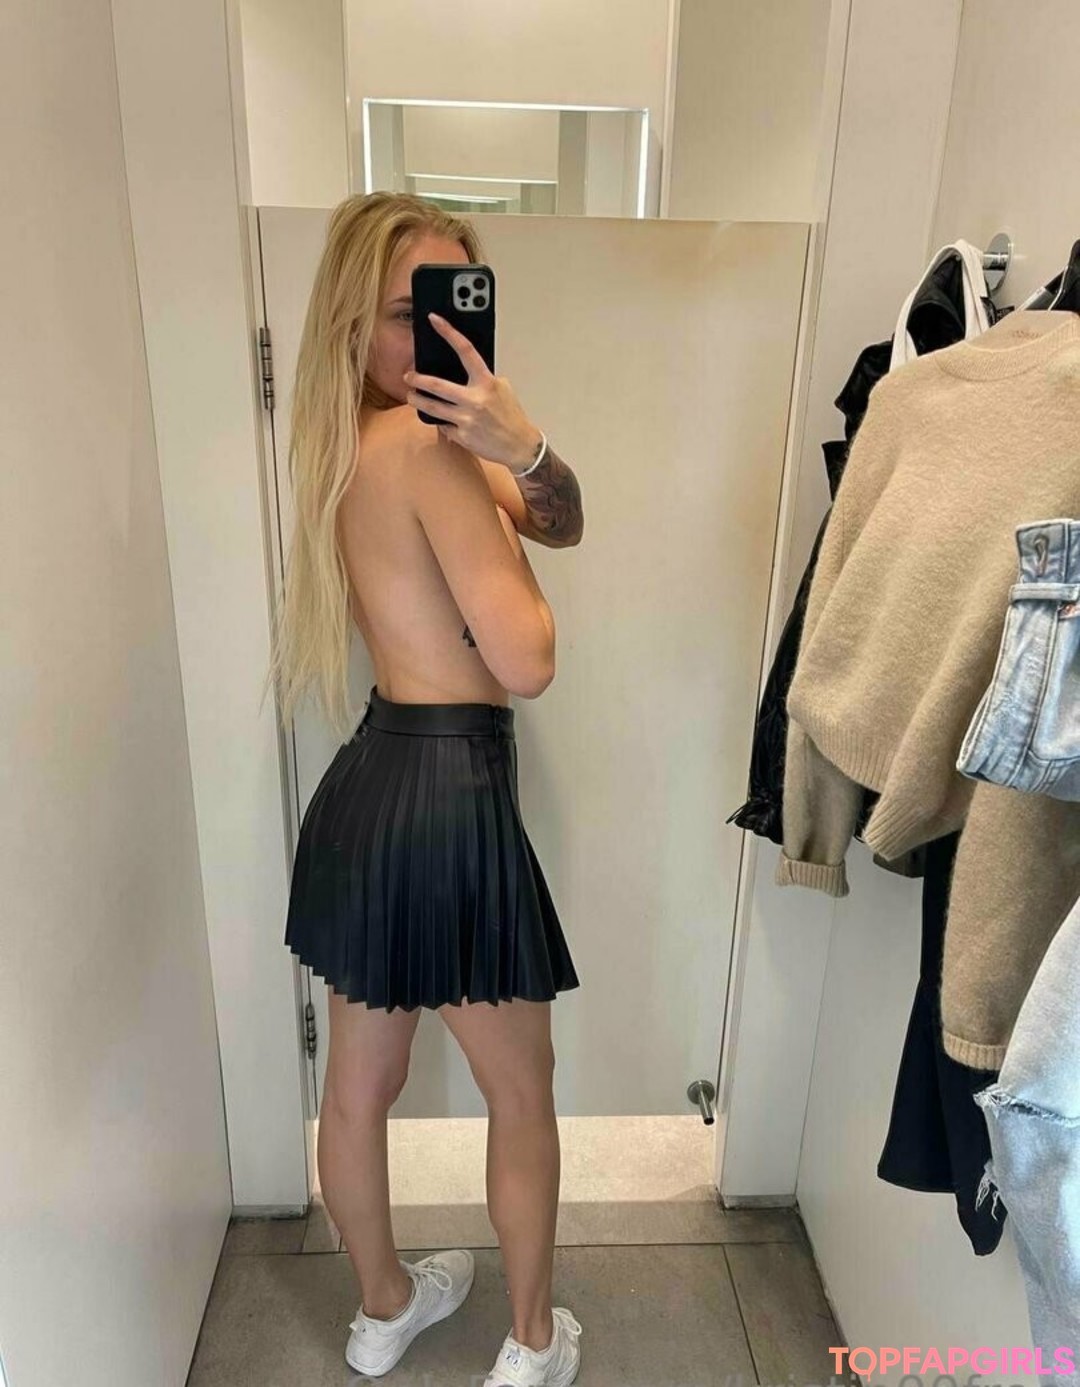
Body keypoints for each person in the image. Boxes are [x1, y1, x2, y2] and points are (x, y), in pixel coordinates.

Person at [269, 191, 585, 1386]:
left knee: (357, 1090)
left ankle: (382, 1310)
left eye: (455, 308)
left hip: (371, 784)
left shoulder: (348, 446)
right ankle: (536, 1343)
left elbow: (561, 520)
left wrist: (524, 448)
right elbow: (529, 659)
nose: (435, 339)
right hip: (452, 791)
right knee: (522, 1089)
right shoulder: (423, 447)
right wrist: (494, 473)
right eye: (408, 313)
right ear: (351, 322)